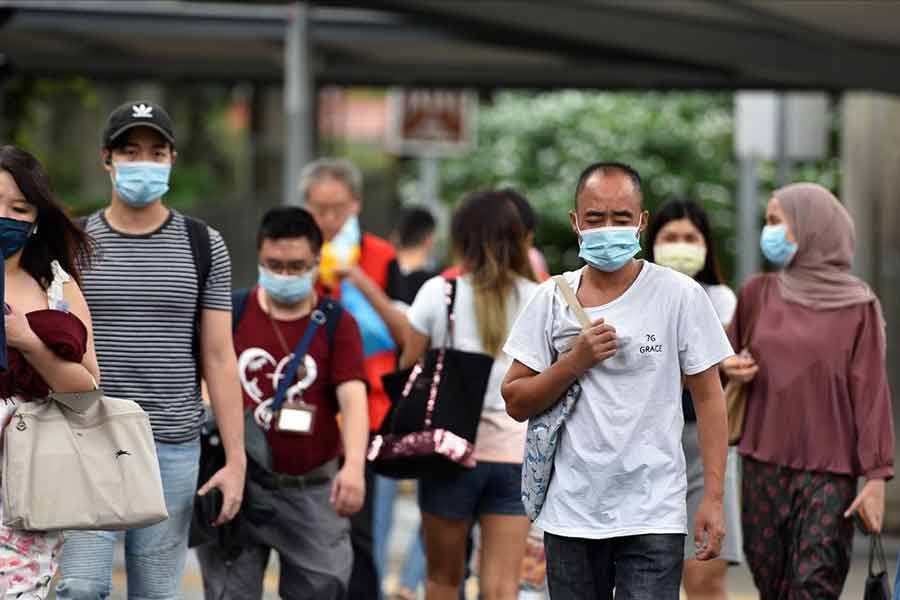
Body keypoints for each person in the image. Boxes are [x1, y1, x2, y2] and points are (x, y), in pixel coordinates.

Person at [502, 162, 733, 600]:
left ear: (641, 223)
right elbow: (515, 399)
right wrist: (574, 362)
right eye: (595, 218)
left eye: (621, 218)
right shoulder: (551, 298)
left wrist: (713, 499)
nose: (608, 228)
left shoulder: (679, 295)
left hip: (654, 513)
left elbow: (709, 397)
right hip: (571, 514)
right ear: (576, 223)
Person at [56, 101, 246, 599]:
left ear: (172, 159)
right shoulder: (73, 242)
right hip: (86, 438)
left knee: (157, 594)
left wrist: (236, 458)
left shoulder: (203, 243)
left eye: (156, 151)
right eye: (130, 150)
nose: (144, 161)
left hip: (172, 444)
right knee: (78, 587)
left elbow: (221, 358)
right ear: (107, 158)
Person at [722, 183, 894, 599]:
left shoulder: (858, 306)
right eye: (767, 222)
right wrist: (729, 366)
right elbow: (715, 360)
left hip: (829, 473)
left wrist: (876, 477)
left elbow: (871, 393)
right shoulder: (757, 293)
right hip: (761, 465)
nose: (770, 232)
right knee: (770, 580)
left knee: (814, 583)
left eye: (777, 221)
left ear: (812, 227)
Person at [197, 206, 368, 599]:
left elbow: (353, 398)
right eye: (274, 265)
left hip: (310, 486)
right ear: (259, 257)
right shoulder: (232, 312)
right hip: (238, 483)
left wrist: (355, 467)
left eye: (296, 266)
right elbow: (205, 381)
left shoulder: (337, 322)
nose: (285, 275)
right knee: (228, 592)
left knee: (322, 586)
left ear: (315, 262)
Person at [401, 189, 539, 600]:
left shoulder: (438, 294)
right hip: (516, 455)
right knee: (502, 587)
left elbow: (409, 367)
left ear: (461, 238)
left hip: (449, 452)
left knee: (443, 580)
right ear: (519, 239)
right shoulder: (538, 298)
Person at [300, 157, 403, 599]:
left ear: (356, 205)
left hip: (372, 413)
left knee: (361, 534)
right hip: (308, 413)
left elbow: (406, 333)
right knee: (307, 532)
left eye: (337, 208)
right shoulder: (294, 255)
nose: (327, 219)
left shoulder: (381, 256)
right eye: (318, 207)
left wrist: (358, 280)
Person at [0, 145, 99, 597]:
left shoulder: (57, 288)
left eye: (17, 208)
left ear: (37, 217)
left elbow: (86, 393)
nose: (4, 216)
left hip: (30, 489)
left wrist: (26, 340)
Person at [646, 199, 744, 600]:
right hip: (645, 443)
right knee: (648, 577)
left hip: (703, 446)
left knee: (704, 577)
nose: (680, 245)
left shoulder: (721, 299)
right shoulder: (635, 295)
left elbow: (712, 372)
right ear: (652, 242)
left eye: (690, 237)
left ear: (706, 246)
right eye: (671, 237)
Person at [375, 207, 438, 599]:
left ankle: (381, 582)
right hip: (429, 405)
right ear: (430, 238)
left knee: (380, 507)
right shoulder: (437, 284)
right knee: (433, 501)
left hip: (381, 404)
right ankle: (411, 582)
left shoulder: (379, 279)